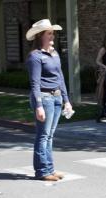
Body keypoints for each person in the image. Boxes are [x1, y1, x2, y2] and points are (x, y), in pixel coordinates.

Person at [25, 19, 73, 181]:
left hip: (57, 97)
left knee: (50, 136)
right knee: (43, 136)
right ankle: (42, 171)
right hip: (44, 99)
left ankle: (50, 169)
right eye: (49, 33)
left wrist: (67, 100)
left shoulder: (54, 54)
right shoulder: (35, 57)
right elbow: (35, 83)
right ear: (40, 36)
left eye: (53, 33)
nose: (53, 36)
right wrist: (38, 105)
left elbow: (60, 78)